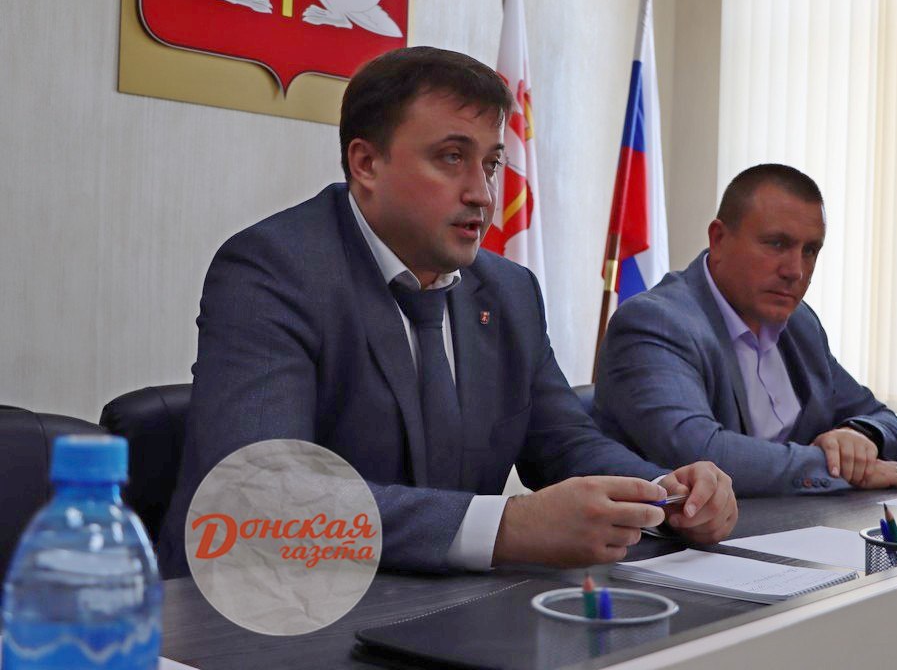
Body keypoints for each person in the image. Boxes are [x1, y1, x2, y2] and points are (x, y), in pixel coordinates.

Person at [159, 47, 736, 578]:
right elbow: (260, 494)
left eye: (490, 164)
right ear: (366, 163)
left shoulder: (508, 290)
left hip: (438, 606)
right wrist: (507, 527)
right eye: (452, 157)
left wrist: (662, 491)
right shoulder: (274, 271)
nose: (482, 194)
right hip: (264, 607)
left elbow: (563, 441)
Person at [594, 164, 897, 496]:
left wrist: (858, 436)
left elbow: (880, 417)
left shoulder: (799, 323)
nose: (795, 271)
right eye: (776, 244)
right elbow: (700, 452)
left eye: (810, 250)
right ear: (719, 240)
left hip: (796, 523)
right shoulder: (655, 322)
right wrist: (837, 469)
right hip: (681, 530)